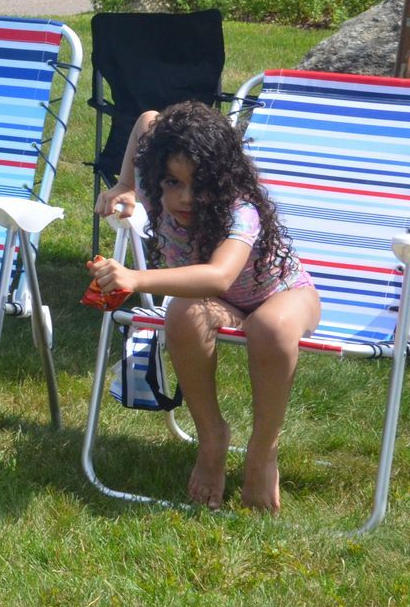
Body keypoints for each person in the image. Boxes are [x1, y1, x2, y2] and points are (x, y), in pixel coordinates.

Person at [90, 102, 318, 512]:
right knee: (182, 312)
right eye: (172, 182)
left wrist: (135, 278)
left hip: (286, 295)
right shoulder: (156, 182)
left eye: (200, 184)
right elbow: (146, 120)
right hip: (222, 304)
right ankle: (212, 439)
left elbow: (218, 277)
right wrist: (125, 184)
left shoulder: (240, 209)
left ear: (223, 178)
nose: (185, 197)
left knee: (270, 327)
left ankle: (263, 451)